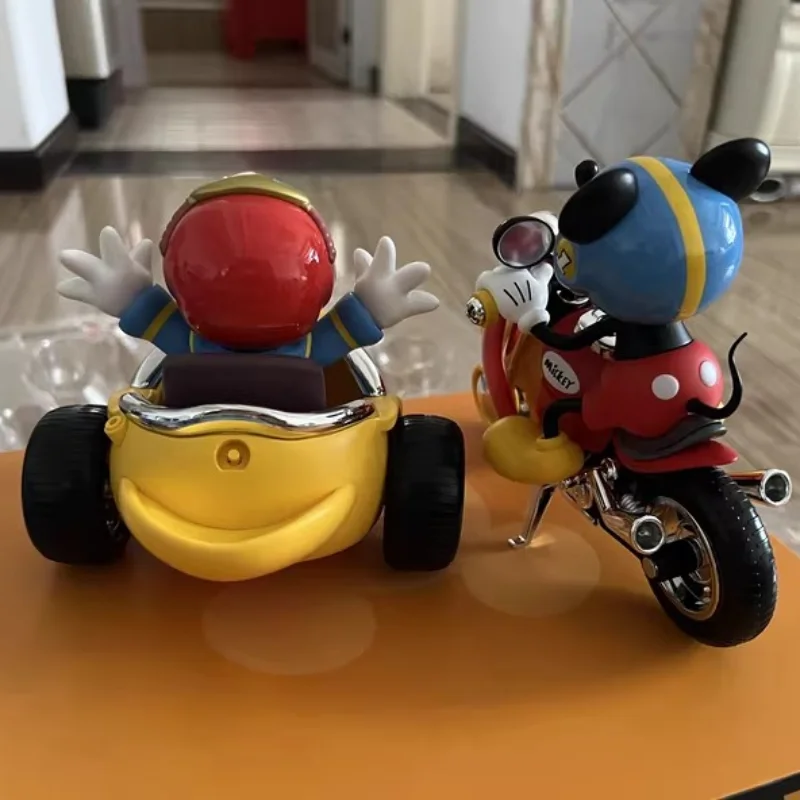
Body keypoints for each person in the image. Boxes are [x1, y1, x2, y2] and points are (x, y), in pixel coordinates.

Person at [58, 173, 439, 367]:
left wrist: (130, 297)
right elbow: (348, 327)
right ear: (323, 284)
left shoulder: (190, 348)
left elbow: (151, 317)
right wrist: (372, 306)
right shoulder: (310, 352)